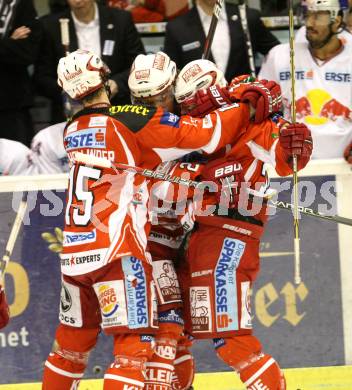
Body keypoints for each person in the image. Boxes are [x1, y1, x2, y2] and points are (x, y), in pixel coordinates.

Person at [42, 48, 276, 389]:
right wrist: (244, 105)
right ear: (107, 81)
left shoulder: (70, 130)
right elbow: (207, 134)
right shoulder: (133, 122)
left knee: (69, 351)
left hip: (76, 255)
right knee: (133, 352)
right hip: (118, 254)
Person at [162, 59, 313, 389]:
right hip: (194, 240)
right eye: (184, 101)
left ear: (212, 88)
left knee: (229, 339)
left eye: (193, 98)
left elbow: (284, 159)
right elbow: (167, 184)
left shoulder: (251, 121)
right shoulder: (191, 130)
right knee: (174, 333)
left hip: (230, 236)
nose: (190, 107)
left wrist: (293, 146)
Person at [259, 0, 352, 159]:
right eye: (307, 15)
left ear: (336, 21)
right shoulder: (280, 56)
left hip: (344, 167)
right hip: (291, 163)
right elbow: (260, 110)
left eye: (317, 16)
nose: (309, 22)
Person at [34, 0, 146, 124]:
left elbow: (139, 64)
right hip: (71, 120)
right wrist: (70, 91)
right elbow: (41, 77)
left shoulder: (120, 19)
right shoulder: (50, 25)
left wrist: (116, 83)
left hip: (118, 112)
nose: (77, 1)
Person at [163, 0, 280, 82]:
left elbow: (279, 54)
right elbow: (170, 76)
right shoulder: (176, 28)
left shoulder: (248, 17)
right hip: (199, 113)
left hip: (245, 108)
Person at [0, 0, 42, 146]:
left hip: (12, 103)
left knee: (20, 162)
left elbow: (27, 53)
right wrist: (9, 42)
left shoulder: (23, 5)